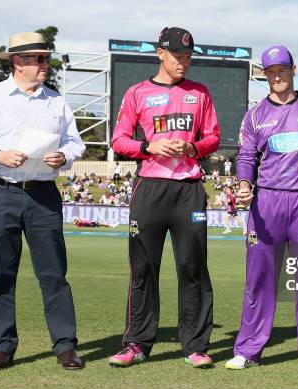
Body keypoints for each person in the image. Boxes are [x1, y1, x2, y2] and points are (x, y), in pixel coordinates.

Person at [0, 32, 86, 370]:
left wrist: (64, 155)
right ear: (18, 62)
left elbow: (76, 143)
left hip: (42, 194)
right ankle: (2, 346)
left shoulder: (56, 101)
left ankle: (65, 345)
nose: (45, 64)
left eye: (46, 58)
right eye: (39, 59)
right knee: (1, 273)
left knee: (54, 273)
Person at [109, 27, 219, 369]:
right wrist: (148, 146)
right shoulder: (137, 93)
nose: (183, 63)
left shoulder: (199, 93)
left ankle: (195, 346)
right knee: (142, 268)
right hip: (150, 188)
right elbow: (119, 140)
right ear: (161, 54)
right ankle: (136, 343)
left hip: (189, 189)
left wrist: (194, 147)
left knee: (193, 267)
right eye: (177, 56)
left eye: (188, 57)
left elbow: (213, 136)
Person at [225, 45, 298, 374]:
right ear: (265, 75)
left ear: (293, 69)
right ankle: (248, 349)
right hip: (266, 204)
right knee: (258, 280)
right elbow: (246, 157)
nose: (276, 75)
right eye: (269, 71)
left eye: (281, 69)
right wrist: (245, 186)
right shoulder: (255, 115)